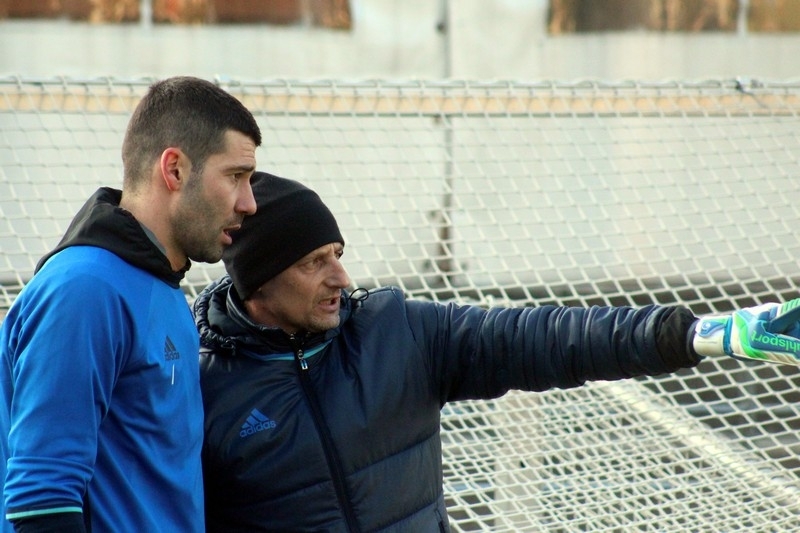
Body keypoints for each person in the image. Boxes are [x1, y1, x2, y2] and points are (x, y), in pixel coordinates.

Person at [194, 172, 800, 532]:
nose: (342, 278)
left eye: (338, 253)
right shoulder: (200, 388)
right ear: (259, 280)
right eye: (314, 262)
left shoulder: (395, 332)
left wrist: (700, 334)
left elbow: (542, 336)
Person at [0, 75, 262, 533]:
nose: (249, 203)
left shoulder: (162, 288)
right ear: (174, 170)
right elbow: (41, 502)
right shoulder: (85, 290)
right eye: (235, 177)